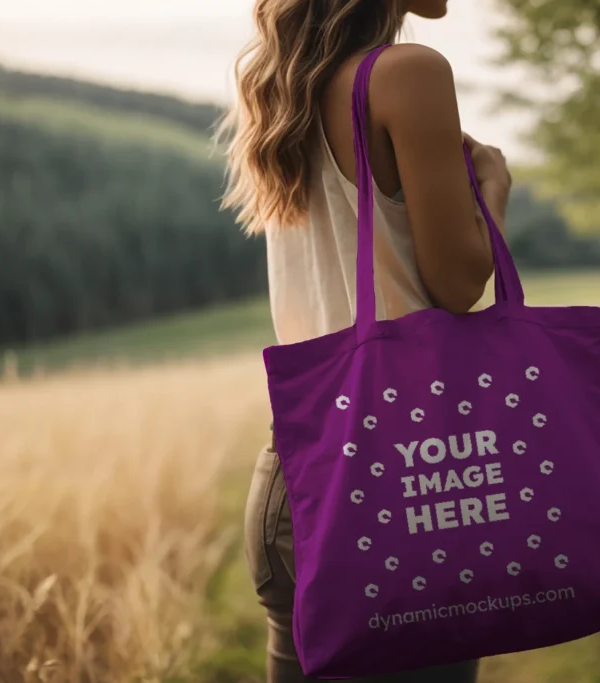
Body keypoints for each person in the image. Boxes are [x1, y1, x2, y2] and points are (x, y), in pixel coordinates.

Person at [217, 1, 513, 681]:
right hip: (410, 474)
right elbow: (459, 281)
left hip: (295, 480)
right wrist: (492, 193)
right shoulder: (408, 74)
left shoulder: (280, 85)